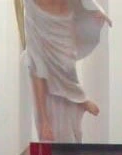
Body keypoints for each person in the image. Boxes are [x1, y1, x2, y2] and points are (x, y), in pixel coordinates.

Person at [23, 0, 111, 142]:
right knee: (38, 66)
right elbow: (37, 69)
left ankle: (78, 98)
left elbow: (82, 4)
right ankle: (72, 103)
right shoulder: (33, 11)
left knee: (66, 64)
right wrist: (44, 121)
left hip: (65, 22)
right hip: (41, 23)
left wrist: (94, 12)